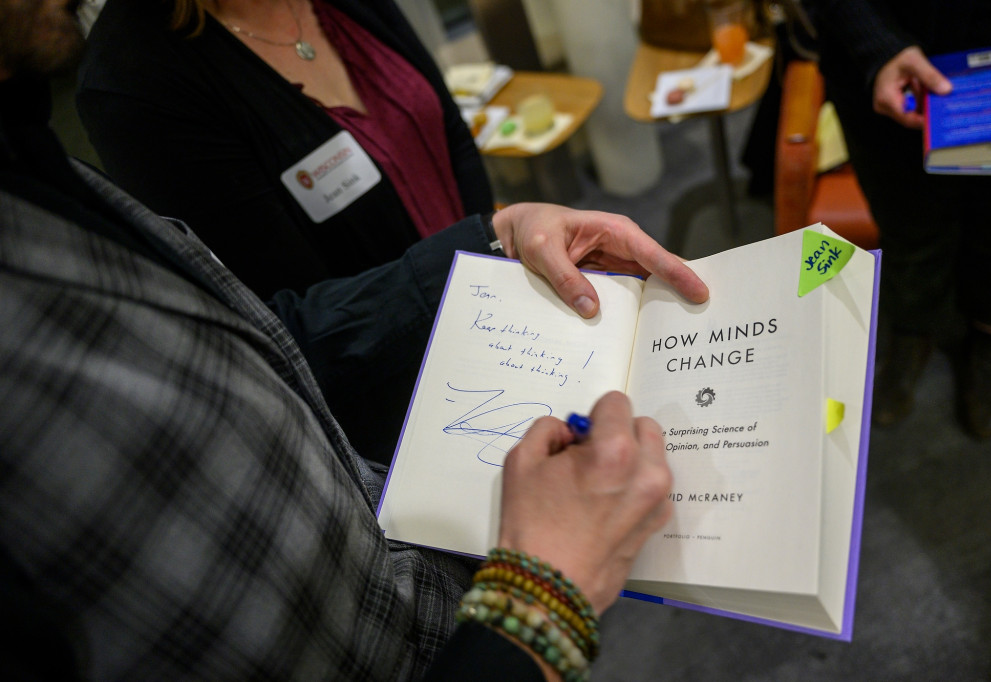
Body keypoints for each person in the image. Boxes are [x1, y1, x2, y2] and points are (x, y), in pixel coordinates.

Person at [0, 2, 707, 678]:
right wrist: (537, 610)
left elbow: (257, 336)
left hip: (467, 379)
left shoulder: (35, 166)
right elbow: (281, 332)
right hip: (404, 412)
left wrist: (493, 235)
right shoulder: (130, 82)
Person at [75, 0, 494, 301]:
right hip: (394, 376)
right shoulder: (133, 81)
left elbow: (451, 134)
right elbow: (291, 308)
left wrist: (491, 260)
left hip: (487, 305)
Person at [807, 0, 991, 438]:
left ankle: (990, 333)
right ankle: (911, 330)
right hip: (881, 68)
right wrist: (877, 45)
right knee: (907, 230)